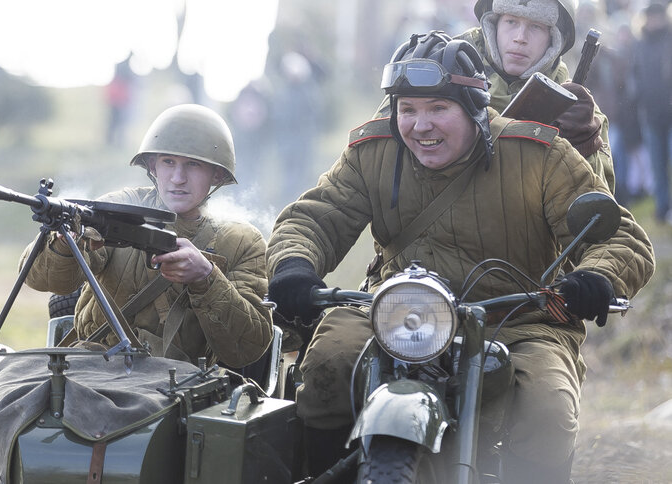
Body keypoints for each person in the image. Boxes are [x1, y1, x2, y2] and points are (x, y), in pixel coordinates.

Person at [266, 31, 654, 482]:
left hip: (518, 317)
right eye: (407, 109)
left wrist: (597, 278)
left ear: (474, 110)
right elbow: (314, 217)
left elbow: (621, 237)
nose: (420, 125)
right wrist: (294, 266)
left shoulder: (539, 155)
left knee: (546, 408)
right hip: (396, 308)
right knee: (328, 363)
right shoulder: (373, 152)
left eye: (438, 108)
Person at [21, 104, 272, 369]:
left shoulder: (242, 242)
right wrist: (63, 244)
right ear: (153, 165)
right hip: (92, 367)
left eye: (193, 165)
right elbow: (43, 279)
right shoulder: (118, 209)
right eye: (168, 162)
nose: (177, 178)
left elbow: (248, 348)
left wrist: (206, 278)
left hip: (178, 384)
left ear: (217, 174)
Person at [373, 0, 615, 191]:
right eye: (511, 21)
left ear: (555, 38)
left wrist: (584, 142)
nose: (520, 37)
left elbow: (598, 206)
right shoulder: (437, 68)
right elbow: (375, 155)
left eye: (536, 26)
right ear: (493, 24)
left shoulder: (577, 108)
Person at [633, 3, 672, 223]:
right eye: (650, 16)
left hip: (670, 113)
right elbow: (635, 76)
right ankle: (662, 209)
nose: (654, 20)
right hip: (650, 115)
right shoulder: (639, 44)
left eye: (658, 16)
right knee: (657, 166)